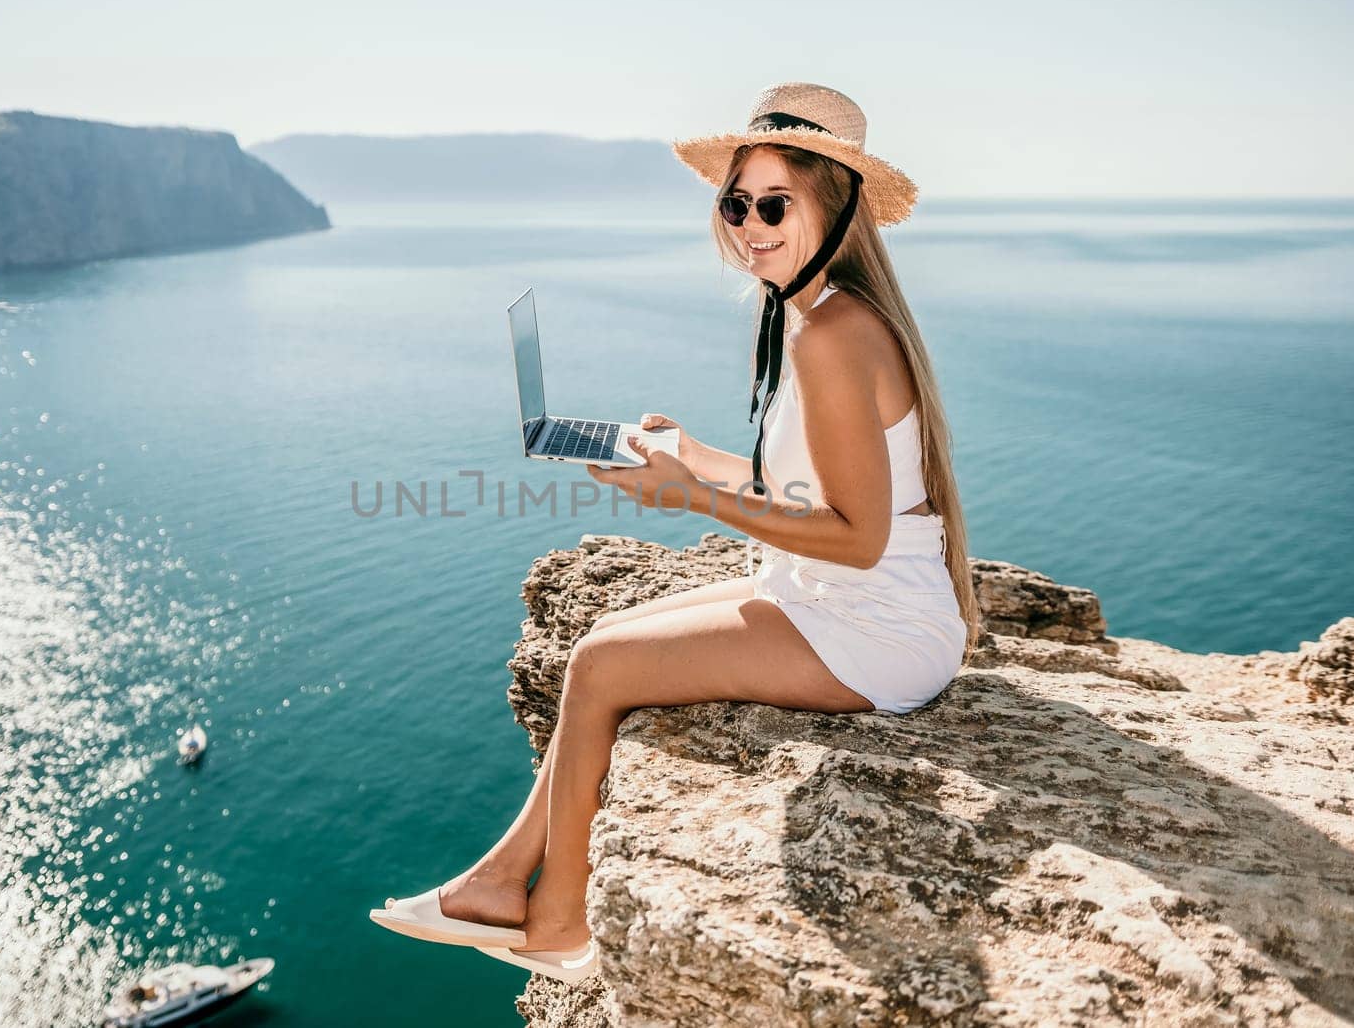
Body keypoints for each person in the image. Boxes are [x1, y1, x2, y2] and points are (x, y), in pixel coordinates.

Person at [369, 82, 982, 983]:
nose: (749, 225)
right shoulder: (822, 315)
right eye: (736, 203)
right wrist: (693, 456)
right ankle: (501, 878)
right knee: (604, 637)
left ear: (836, 202)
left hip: (876, 625)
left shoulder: (830, 335)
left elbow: (854, 535)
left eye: (774, 204)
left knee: (600, 666)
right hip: (842, 597)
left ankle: (557, 921)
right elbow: (808, 486)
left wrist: (688, 500)